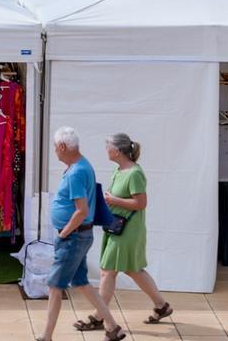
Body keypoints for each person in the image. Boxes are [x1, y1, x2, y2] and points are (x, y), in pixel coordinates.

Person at [74, 134, 172, 332]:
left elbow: (141, 203)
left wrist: (114, 201)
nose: (106, 150)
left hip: (128, 228)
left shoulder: (134, 173)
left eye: (108, 146)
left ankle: (98, 316)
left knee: (108, 271)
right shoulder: (119, 170)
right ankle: (161, 306)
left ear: (117, 151)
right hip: (117, 226)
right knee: (132, 269)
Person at [39, 127, 125, 341]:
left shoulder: (77, 171)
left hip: (73, 237)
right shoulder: (79, 166)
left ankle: (46, 336)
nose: (55, 152)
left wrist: (63, 234)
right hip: (79, 236)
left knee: (54, 285)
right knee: (81, 283)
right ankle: (113, 328)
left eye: (55, 148)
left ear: (61, 146)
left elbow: (82, 210)